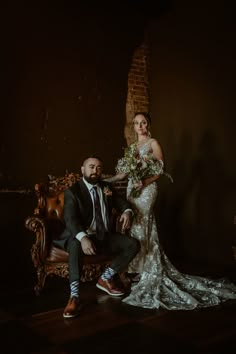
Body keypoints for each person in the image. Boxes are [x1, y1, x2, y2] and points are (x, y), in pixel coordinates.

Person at [104, 112, 236, 310]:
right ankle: (136, 270)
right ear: (134, 126)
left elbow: (159, 170)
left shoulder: (153, 143)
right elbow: (123, 173)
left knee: (143, 222)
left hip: (146, 190)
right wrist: (107, 180)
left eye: (143, 122)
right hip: (133, 189)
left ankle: (148, 270)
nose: (140, 126)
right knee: (133, 227)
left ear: (148, 125)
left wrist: (144, 182)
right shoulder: (132, 148)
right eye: (137, 123)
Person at [54, 155, 140, 318]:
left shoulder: (106, 187)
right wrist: (83, 237)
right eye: (91, 167)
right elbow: (70, 220)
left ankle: (105, 279)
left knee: (133, 244)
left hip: (102, 236)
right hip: (80, 236)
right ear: (83, 169)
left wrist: (127, 212)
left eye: (99, 168)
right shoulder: (73, 192)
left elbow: (122, 203)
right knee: (75, 244)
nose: (95, 170)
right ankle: (74, 296)